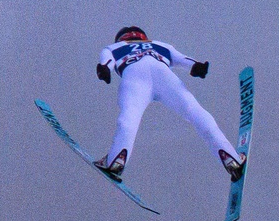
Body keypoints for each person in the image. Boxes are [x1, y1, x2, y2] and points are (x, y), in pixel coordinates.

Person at [94, 26, 244, 180]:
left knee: (129, 117)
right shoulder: (158, 44)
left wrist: (104, 69)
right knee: (195, 112)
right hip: (163, 75)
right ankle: (230, 156)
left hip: (134, 74)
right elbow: (182, 59)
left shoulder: (113, 47)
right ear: (143, 37)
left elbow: (107, 61)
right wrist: (196, 66)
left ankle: (117, 159)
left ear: (121, 38)